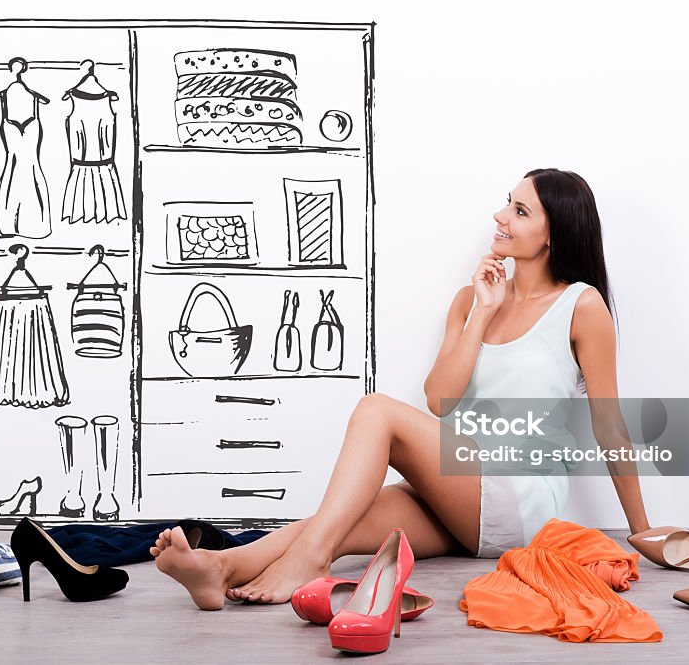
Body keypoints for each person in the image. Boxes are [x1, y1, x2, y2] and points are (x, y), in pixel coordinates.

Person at [150, 167, 654, 609]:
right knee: (340, 519)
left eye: (520, 210)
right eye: (507, 201)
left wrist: (643, 531)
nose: (500, 216)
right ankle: (218, 569)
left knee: (376, 411)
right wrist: (484, 309)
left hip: (520, 499)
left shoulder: (581, 307)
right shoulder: (471, 299)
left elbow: (609, 426)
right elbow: (440, 400)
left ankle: (309, 561)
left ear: (553, 235)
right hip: (460, 485)